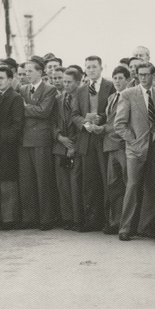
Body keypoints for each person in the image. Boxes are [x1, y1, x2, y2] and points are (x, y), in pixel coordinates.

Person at [114, 62, 155, 240]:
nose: (143, 77)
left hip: (154, 147)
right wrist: (133, 140)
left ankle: (146, 227)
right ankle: (125, 228)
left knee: (152, 187)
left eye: (147, 74)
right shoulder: (128, 94)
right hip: (135, 150)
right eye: (140, 74)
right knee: (132, 186)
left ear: (153, 75)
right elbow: (119, 124)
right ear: (136, 76)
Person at [19, 57, 59, 229]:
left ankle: (46, 218)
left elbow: (44, 111)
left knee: (43, 180)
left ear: (40, 72)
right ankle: (30, 217)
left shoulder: (50, 89)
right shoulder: (23, 89)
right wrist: (29, 108)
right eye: (25, 71)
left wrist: (24, 107)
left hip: (41, 139)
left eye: (30, 71)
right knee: (27, 181)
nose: (27, 74)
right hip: (25, 140)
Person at [0, 64, 25, 230]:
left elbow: (18, 124)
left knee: (7, 183)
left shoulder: (15, 97)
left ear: (10, 79)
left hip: (7, 147)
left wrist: (5, 139)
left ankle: (9, 219)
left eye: (2, 78)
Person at [79, 55, 115, 232]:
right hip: (87, 139)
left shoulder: (110, 87)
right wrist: (84, 124)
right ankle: (91, 220)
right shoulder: (81, 90)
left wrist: (102, 118)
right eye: (88, 67)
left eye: (94, 67)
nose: (91, 70)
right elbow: (74, 114)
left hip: (103, 138)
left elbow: (116, 111)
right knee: (89, 181)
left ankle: (109, 221)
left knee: (107, 180)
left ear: (101, 68)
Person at [53, 66, 88, 229]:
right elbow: (52, 122)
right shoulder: (58, 99)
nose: (65, 84)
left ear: (78, 82)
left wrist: (72, 144)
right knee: (63, 185)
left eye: (69, 82)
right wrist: (60, 137)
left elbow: (81, 123)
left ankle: (78, 218)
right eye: (64, 81)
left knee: (76, 184)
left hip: (76, 147)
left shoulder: (82, 99)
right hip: (61, 146)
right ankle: (67, 217)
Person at [102, 66, 130, 234]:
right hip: (111, 145)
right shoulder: (112, 97)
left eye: (120, 78)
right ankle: (116, 221)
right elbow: (110, 119)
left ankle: (129, 223)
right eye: (115, 78)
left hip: (124, 145)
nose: (117, 81)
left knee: (129, 184)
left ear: (127, 79)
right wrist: (101, 125)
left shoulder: (131, 95)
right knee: (114, 186)